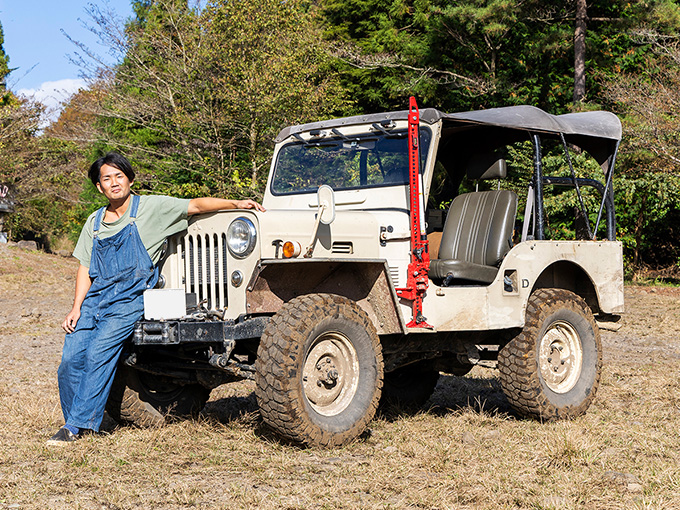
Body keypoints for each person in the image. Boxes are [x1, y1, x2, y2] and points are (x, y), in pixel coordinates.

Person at [47, 152, 265, 445]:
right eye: (106, 179)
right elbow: (85, 267)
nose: (114, 183)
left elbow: (196, 205)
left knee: (99, 353)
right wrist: (76, 307)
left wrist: (236, 204)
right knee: (71, 360)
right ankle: (75, 419)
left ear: (130, 179)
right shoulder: (94, 222)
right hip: (95, 300)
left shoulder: (152, 208)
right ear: (99, 187)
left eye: (119, 176)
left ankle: (78, 427)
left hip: (130, 300)